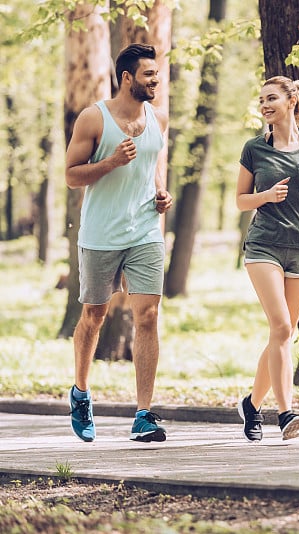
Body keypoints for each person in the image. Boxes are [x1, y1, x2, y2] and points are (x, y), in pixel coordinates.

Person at [64, 43, 172, 443]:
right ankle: (80, 392)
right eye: (148, 75)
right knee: (94, 316)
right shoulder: (95, 118)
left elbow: (153, 169)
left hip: (144, 230)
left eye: (156, 74)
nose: (156, 80)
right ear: (127, 78)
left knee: (147, 315)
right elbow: (72, 176)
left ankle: (143, 415)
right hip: (101, 233)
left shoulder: (157, 118)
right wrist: (110, 162)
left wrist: (162, 194)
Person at [235, 76, 299, 441]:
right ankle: (285, 413)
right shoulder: (254, 149)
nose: (264, 105)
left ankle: (251, 404)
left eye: (272, 98)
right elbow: (241, 200)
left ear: (291, 101)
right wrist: (265, 195)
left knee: (282, 334)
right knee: (281, 328)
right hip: (264, 246)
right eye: (261, 99)